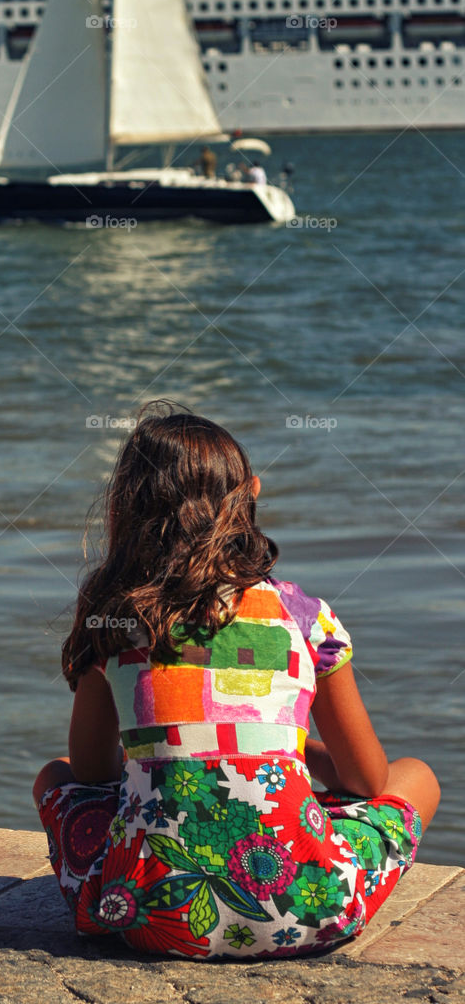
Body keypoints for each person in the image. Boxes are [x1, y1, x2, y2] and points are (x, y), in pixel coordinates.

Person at [33, 405, 439, 959]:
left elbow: (90, 772)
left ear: (125, 509)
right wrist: (301, 755)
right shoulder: (304, 617)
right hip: (310, 910)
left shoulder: (114, 619)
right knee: (415, 776)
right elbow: (368, 780)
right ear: (250, 492)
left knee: (52, 775)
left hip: (142, 914)